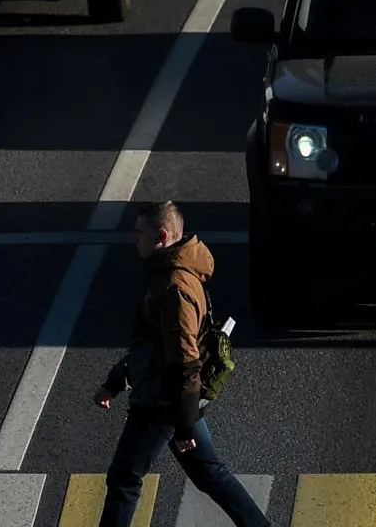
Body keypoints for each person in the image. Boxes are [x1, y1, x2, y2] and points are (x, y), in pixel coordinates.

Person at [95, 202, 274, 527]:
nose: (135, 239)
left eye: (140, 233)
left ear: (161, 236)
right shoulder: (165, 275)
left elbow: (183, 360)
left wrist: (185, 424)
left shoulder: (175, 287)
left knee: (124, 480)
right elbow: (152, 344)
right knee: (209, 473)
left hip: (162, 401)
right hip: (171, 397)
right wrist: (116, 380)